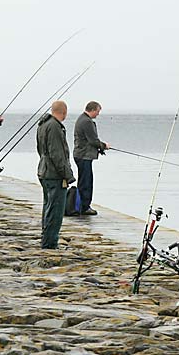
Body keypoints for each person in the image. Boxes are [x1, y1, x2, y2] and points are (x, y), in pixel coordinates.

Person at [37, 100, 75, 249]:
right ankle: (50, 243)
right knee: (55, 210)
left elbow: (40, 150)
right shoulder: (54, 127)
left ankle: (47, 239)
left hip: (44, 171)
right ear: (64, 112)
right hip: (54, 175)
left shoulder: (43, 125)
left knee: (48, 207)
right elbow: (57, 155)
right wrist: (68, 175)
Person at [72, 101, 109, 216]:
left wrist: (100, 148)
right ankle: (84, 207)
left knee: (84, 181)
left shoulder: (81, 119)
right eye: (97, 111)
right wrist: (104, 146)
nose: (98, 114)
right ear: (92, 110)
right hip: (84, 156)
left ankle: (80, 205)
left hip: (81, 155)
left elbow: (89, 140)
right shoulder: (87, 122)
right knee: (86, 182)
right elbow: (93, 140)